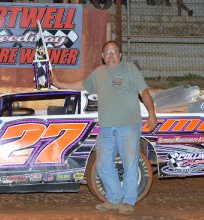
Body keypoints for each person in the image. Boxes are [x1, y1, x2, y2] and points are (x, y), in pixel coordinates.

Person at [51, 41, 158, 215]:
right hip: (107, 128)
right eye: (107, 52)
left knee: (129, 163)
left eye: (114, 52)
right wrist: (60, 83)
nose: (111, 55)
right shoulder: (99, 73)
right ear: (102, 56)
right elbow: (82, 85)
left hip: (129, 125)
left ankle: (129, 201)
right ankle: (114, 198)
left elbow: (144, 93)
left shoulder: (130, 69)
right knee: (102, 164)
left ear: (120, 54)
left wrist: (151, 113)